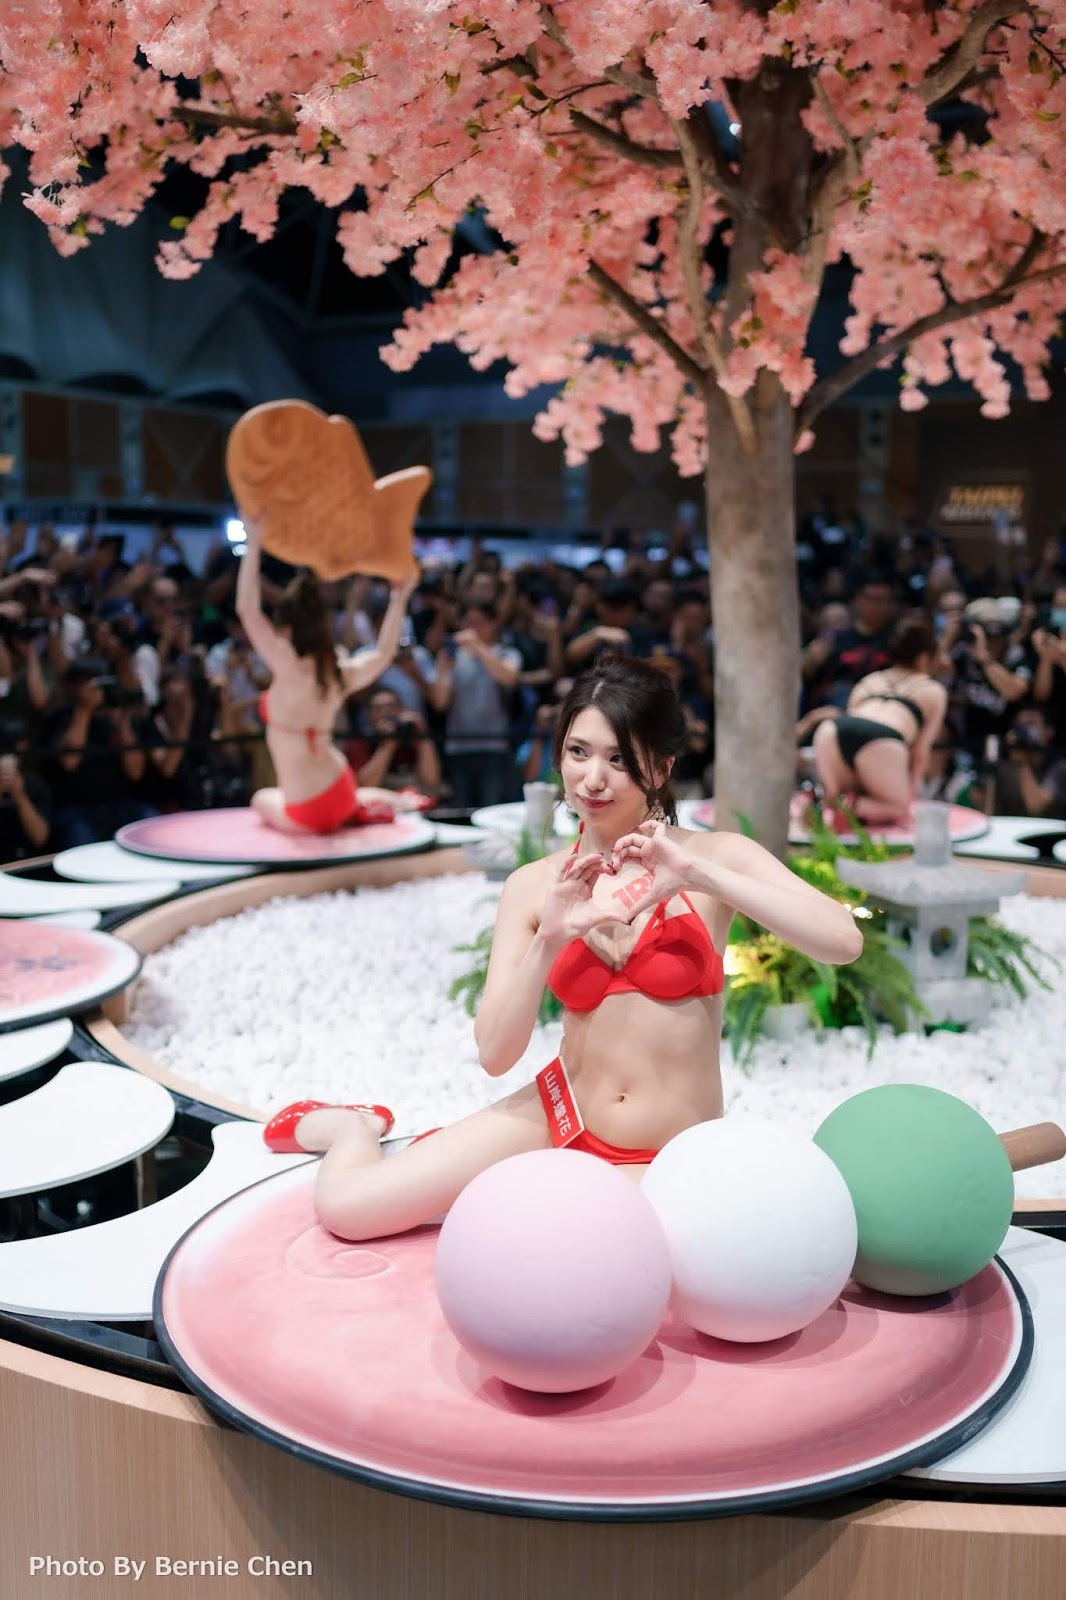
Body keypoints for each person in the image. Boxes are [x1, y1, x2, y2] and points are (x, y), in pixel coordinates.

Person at [262, 654, 861, 1241]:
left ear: (660, 768)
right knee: (349, 1209)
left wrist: (699, 877)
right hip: (560, 1110)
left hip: (669, 1157)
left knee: (599, 1255)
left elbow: (843, 941)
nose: (593, 778)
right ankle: (353, 1129)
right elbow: (495, 1054)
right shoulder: (536, 886)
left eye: (618, 758)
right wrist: (550, 939)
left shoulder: (712, 857)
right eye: (578, 752)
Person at [235, 523, 422, 833]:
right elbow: (383, 653)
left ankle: (380, 803)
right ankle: (382, 803)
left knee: (261, 799)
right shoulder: (337, 672)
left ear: (287, 630)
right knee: (277, 796)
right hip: (342, 789)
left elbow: (247, 610)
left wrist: (253, 544)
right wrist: (399, 597)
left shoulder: (287, 664)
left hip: (308, 810)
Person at [812, 616, 948, 827]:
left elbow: (853, 723)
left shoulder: (868, 681)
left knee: (841, 794)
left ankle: (825, 802)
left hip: (832, 731)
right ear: (924, 657)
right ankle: (846, 804)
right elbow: (920, 751)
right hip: (882, 738)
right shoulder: (932, 690)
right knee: (894, 808)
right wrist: (907, 802)